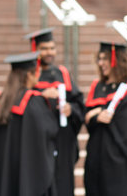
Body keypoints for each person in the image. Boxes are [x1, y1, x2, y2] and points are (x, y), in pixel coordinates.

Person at [0, 52, 59, 196]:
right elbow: (50, 131)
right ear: (30, 74)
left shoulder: (2, 100)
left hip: (2, 171)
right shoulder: (35, 101)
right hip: (25, 173)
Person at [84, 42, 127, 196]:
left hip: (118, 159)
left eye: (104, 59)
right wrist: (95, 116)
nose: (101, 63)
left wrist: (96, 114)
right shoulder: (97, 86)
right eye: (99, 59)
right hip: (95, 156)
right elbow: (87, 117)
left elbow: (126, 122)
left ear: (117, 60)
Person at [24, 28, 84, 196]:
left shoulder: (62, 73)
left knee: (63, 181)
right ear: (35, 49)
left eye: (52, 48)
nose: (49, 52)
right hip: (37, 139)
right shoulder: (28, 74)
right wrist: (41, 95)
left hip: (62, 138)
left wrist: (71, 109)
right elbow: (19, 100)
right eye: (44, 48)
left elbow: (78, 102)